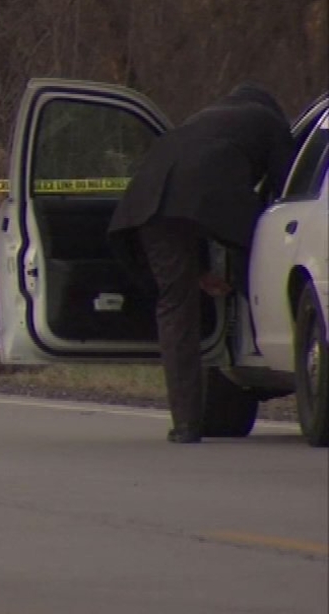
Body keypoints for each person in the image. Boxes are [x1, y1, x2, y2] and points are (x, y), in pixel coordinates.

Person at [107, 84, 295, 444]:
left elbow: (180, 194)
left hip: (148, 207)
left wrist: (198, 274)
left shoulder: (198, 121)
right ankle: (271, 346)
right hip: (209, 200)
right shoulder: (268, 122)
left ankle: (186, 424)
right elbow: (287, 189)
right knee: (259, 267)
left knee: (176, 309)